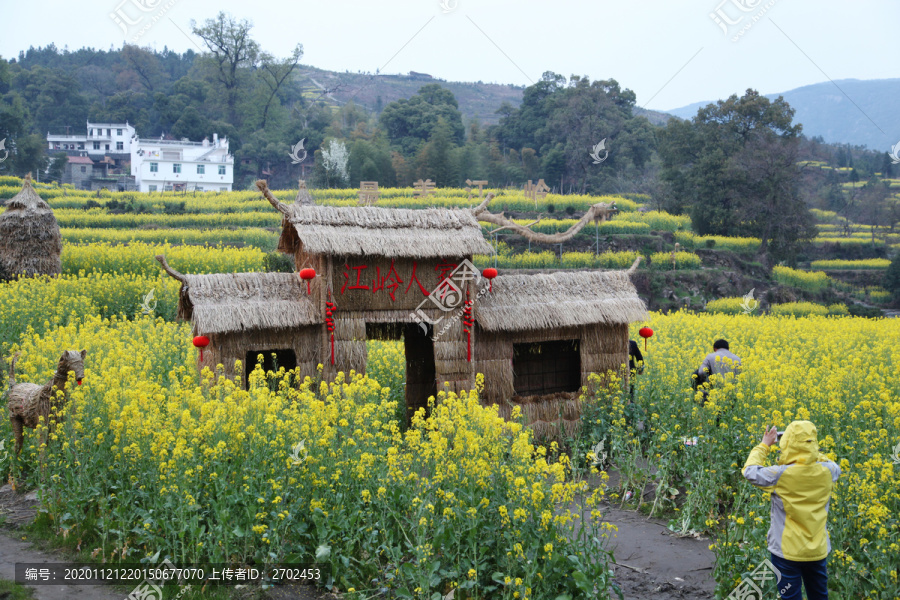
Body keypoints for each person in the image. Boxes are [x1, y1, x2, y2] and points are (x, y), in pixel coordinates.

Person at [742, 421, 840, 600]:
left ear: (786, 444)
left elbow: (750, 471)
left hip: (786, 553)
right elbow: (828, 462)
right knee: (819, 596)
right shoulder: (830, 471)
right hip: (817, 551)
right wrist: (809, 450)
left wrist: (764, 445)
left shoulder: (779, 474)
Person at [692, 339, 741, 403]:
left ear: (715, 349)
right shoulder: (737, 359)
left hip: (714, 392)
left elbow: (701, 372)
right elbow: (739, 376)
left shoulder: (710, 356)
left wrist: (707, 382)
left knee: (695, 374)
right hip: (731, 393)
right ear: (728, 349)